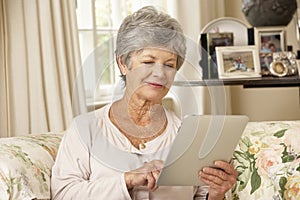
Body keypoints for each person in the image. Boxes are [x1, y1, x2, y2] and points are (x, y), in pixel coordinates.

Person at [51, 6, 237, 200]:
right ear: (123, 63)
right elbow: (63, 195)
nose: (159, 73)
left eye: (169, 65)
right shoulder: (85, 129)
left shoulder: (188, 135)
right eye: (148, 62)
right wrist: (127, 180)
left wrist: (217, 194)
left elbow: (201, 196)